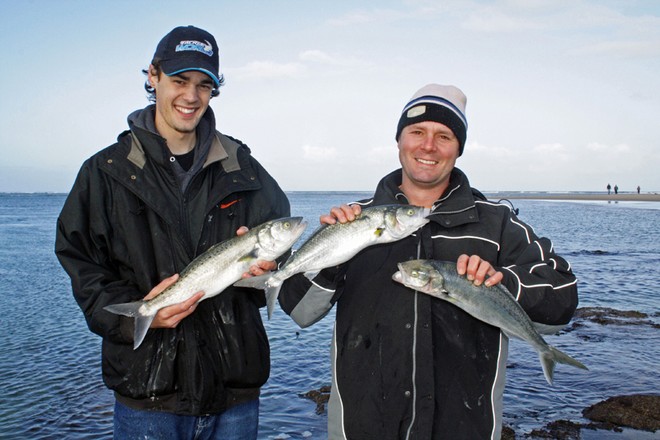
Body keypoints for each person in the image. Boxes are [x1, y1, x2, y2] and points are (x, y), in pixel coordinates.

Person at [278, 84, 578, 439]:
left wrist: (502, 282)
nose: (428, 146)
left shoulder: (497, 223)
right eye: (417, 132)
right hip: (361, 429)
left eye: (444, 136)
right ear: (399, 140)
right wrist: (333, 257)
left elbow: (561, 300)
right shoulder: (355, 221)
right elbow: (298, 310)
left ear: (459, 148)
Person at [55, 25, 290, 439]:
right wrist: (132, 319)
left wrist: (269, 268)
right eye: (180, 81)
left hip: (234, 391)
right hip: (148, 393)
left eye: (204, 85)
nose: (191, 96)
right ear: (153, 76)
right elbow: (81, 261)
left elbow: (281, 249)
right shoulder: (105, 172)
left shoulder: (243, 167)